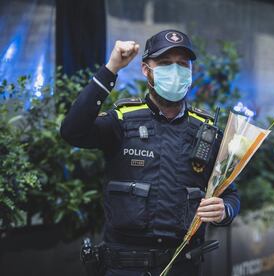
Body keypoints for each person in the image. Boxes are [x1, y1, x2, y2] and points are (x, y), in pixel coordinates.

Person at [60, 29, 240, 276]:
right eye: (165, 63)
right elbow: (72, 131)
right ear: (146, 70)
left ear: (190, 72)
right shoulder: (122, 121)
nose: (175, 71)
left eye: (182, 64)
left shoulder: (207, 132)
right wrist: (111, 68)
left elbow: (230, 194)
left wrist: (224, 211)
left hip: (182, 267)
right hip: (124, 268)